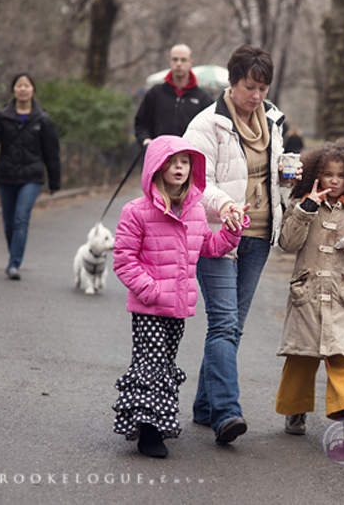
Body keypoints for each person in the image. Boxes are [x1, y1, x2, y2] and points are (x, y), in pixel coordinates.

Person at [183, 44, 300, 444]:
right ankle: (227, 413)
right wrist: (226, 204)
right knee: (224, 323)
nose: (256, 96)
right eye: (250, 86)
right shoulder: (206, 125)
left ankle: (203, 406)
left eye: (263, 88)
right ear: (232, 82)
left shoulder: (273, 120)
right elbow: (197, 183)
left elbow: (273, 178)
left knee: (232, 328)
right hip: (217, 236)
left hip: (259, 234)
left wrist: (288, 179)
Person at [111, 135, 248, 458]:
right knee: (152, 364)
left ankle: (148, 422)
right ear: (156, 167)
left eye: (185, 162)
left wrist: (233, 228)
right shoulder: (136, 211)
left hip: (178, 309)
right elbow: (123, 259)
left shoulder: (196, 212)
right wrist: (151, 291)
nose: (178, 168)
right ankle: (149, 431)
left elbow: (210, 248)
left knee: (164, 363)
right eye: (172, 162)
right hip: (149, 307)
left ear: (192, 169)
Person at [275, 139, 344, 435]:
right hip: (307, 294)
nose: (334, 181)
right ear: (315, 175)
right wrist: (306, 209)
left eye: (341, 175)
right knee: (301, 356)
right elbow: (287, 243)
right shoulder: (302, 206)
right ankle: (295, 411)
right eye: (327, 174)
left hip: (343, 299)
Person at [0, 72, 61, 280]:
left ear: (33, 90)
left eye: (27, 85)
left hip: (32, 175)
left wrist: (54, 182)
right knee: (9, 222)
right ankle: (14, 254)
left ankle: (14, 263)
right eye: (19, 85)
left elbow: (52, 152)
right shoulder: (1, 117)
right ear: (13, 90)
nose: (22, 89)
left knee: (21, 218)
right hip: (6, 175)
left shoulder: (43, 119)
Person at [134, 44, 213, 148]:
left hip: (189, 158)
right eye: (175, 59)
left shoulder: (203, 98)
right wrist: (146, 141)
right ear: (170, 61)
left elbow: (210, 131)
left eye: (183, 60)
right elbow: (141, 123)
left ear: (190, 62)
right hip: (158, 155)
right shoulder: (155, 93)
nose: (179, 64)